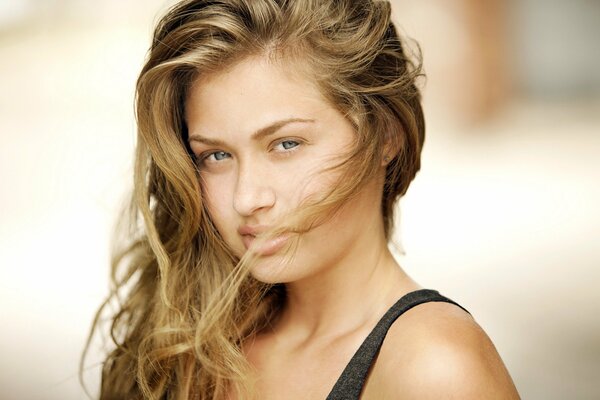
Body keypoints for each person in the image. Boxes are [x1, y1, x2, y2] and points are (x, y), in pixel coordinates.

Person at [85, 0, 521, 398]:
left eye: (286, 144)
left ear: (385, 134)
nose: (247, 197)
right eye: (216, 156)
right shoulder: (190, 345)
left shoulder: (436, 368)